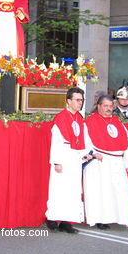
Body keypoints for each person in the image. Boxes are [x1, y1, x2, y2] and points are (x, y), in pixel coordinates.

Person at [45, 87, 100, 233]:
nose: (80, 103)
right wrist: (57, 161)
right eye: (77, 100)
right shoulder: (61, 118)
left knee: (73, 190)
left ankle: (66, 220)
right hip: (63, 157)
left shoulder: (79, 118)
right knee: (59, 189)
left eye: (81, 100)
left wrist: (89, 152)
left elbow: (85, 138)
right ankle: (51, 218)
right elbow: (56, 141)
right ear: (68, 101)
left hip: (75, 158)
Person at [84, 94, 128, 229]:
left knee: (119, 192)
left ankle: (117, 217)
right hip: (100, 162)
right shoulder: (90, 122)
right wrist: (93, 153)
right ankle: (101, 219)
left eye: (110, 106)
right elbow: (85, 141)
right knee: (102, 192)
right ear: (98, 106)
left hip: (117, 163)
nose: (108, 109)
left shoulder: (117, 122)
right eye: (105, 106)